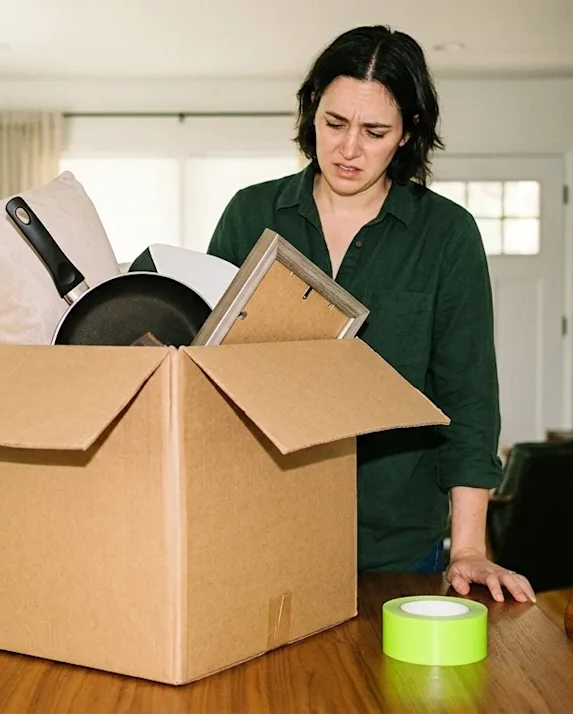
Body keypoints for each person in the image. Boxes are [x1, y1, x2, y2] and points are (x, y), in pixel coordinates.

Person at [206, 25, 535, 604]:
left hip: (398, 544)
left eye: (375, 131)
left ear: (408, 133)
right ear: (311, 111)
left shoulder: (447, 235)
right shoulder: (250, 214)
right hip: (261, 525)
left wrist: (469, 548)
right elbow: (208, 371)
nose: (349, 149)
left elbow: (468, 398)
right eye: (334, 124)